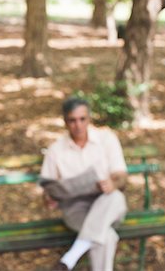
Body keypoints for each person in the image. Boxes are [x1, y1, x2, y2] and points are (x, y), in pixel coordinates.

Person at [40, 97, 128, 271]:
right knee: (107, 236)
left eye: (82, 119)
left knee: (116, 196)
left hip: (107, 204)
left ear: (89, 119)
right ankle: (71, 258)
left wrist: (113, 183)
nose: (78, 125)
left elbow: (122, 177)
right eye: (72, 120)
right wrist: (50, 197)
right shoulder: (55, 150)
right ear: (65, 121)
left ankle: (70, 257)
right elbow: (47, 190)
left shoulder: (107, 139)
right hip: (76, 210)